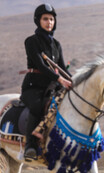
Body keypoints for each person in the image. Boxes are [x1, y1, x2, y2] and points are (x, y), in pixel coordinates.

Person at [20, 3, 72, 161]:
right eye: (45, 19)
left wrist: (75, 81)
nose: (49, 22)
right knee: (37, 107)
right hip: (33, 87)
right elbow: (41, 66)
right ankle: (31, 146)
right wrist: (60, 79)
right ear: (38, 21)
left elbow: (62, 68)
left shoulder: (56, 45)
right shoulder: (31, 41)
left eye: (51, 19)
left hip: (52, 88)